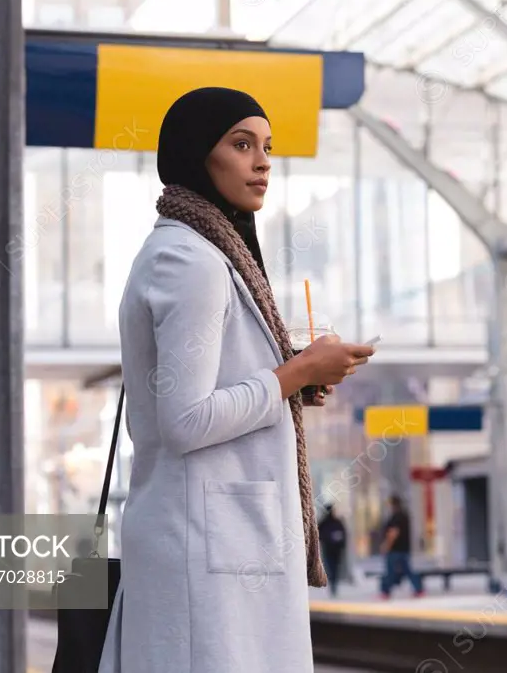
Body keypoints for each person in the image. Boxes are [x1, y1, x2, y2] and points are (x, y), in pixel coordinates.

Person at [98, 87, 376, 673]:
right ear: (198, 152)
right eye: (241, 143)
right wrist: (296, 370)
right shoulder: (191, 261)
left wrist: (292, 382)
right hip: (203, 548)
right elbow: (185, 420)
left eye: (268, 146)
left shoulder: (201, 251)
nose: (263, 161)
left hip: (213, 543)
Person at [379, 494, 424, 599]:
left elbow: (393, 533)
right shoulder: (405, 516)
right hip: (404, 548)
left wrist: (386, 545)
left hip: (395, 549)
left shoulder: (396, 517)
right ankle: (419, 589)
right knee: (408, 570)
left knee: (390, 571)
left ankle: (385, 592)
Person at [317, 503, 347, 598]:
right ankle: (333, 585)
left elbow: (343, 535)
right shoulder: (325, 523)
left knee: (334, 568)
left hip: (335, 550)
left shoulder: (335, 522)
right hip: (330, 549)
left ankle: (334, 585)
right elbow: (318, 535)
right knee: (332, 568)